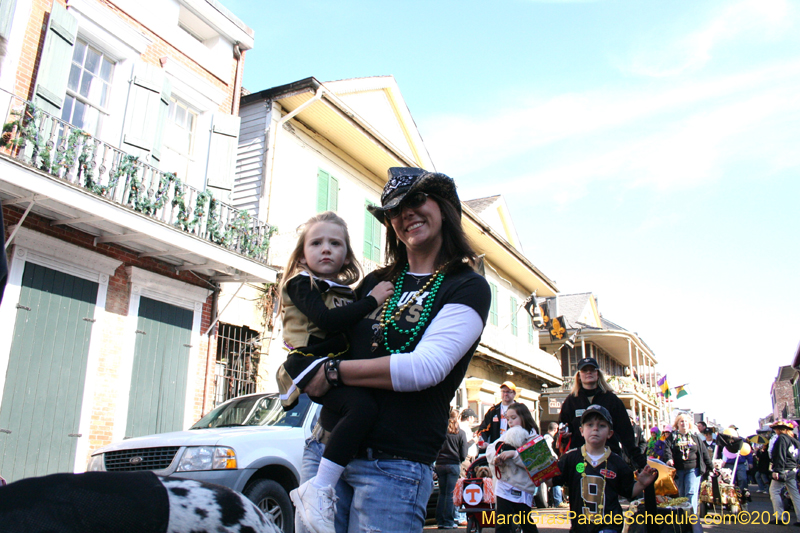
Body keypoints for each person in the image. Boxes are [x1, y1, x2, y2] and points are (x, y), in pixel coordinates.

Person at [298, 167, 492, 533]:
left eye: (417, 200)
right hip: (325, 449)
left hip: (393, 466)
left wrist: (334, 372)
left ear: (445, 207)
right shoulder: (375, 281)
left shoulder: (467, 287)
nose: (406, 214)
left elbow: (424, 368)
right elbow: (330, 335)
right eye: (394, 209)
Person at [275, 212, 394, 533]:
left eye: (335, 243)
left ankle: (325, 482)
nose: (325, 249)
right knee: (362, 407)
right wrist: (371, 300)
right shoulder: (302, 283)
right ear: (302, 255)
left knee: (360, 407)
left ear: (346, 256)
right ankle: (318, 487)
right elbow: (327, 321)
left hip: (331, 363)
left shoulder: (343, 291)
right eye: (316, 243)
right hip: (308, 361)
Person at [549, 405, 658, 533]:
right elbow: (552, 481)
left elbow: (629, 490)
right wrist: (539, 469)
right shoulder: (571, 458)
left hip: (609, 526)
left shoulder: (616, 462)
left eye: (602, 425)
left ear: (610, 433)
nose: (595, 428)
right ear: (581, 431)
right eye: (589, 425)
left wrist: (641, 484)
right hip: (581, 528)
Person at [558, 358, 648, 470]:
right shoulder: (571, 401)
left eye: (592, 369)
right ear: (579, 376)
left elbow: (626, 435)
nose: (589, 372)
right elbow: (562, 434)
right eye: (584, 370)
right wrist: (564, 438)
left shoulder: (612, 400)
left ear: (598, 374)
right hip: (580, 462)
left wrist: (640, 464)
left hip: (608, 460)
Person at [487, 403, 541, 533]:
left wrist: (515, 454)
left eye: (513, 417)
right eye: (508, 419)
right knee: (502, 525)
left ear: (523, 417)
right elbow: (490, 450)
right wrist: (497, 457)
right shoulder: (506, 435)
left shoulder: (536, 438)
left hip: (522, 486)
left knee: (526, 524)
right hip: (504, 484)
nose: (510, 422)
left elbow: (537, 464)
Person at [665, 413, 712, 514]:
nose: (684, 423)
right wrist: (669, 459)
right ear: (677, 424)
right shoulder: (672, 437)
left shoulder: (695, 437)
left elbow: (704, 453)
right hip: (679, 469)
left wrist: (711, 467)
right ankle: (683, 517)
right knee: (681, 494)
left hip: (693, 469)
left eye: (686, 421)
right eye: (681, 421)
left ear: (689, 424)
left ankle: (692, 517)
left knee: (691, 492)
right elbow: (667, 449)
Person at [435, 409, 469, 529]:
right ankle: (449, 521)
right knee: (450, 494)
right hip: (453, 464)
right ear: (457, 418)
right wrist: (459, 459)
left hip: (440, 464)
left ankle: (440, 520)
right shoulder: (461, 433)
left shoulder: (441, 432)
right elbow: (464, 453)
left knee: (442, 493)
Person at [769, 419, 800, 525]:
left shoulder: (781, 438)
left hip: (784, 469)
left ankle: (780, 517)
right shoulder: (794, 440)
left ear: (778, 430)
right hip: (792, 469)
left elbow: (780, 455)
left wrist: (777, 470)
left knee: (774, 491)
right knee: (794, 494)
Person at [476, 381, 518, 447]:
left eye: (508, 392)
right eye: (503, 391)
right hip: (496, 448)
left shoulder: (520, 409)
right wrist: (483, 441)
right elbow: (483, 429)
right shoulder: (493, 410)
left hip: (515, 448)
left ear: (514, 394)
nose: (505, 394)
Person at [542, 422, 566, 508]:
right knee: (555, 478)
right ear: (556, 430)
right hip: (550, 462)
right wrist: (555, 457)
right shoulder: (548, 438)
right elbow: (547, 449)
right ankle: (558, 501)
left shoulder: (545, 437)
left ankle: (556, 500)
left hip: (546, 462)